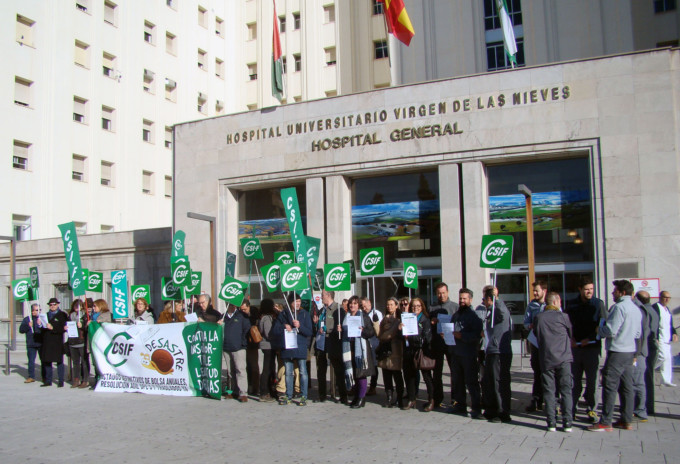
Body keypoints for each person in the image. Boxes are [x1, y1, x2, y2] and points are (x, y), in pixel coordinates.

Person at [588, 280, 642, 432]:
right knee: (627, 387)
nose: (612, 293)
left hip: (617, 351)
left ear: (622, 293)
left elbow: (611, 330)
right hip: (629, 351)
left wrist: (600, 329)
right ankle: (626, 420)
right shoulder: (636, 309)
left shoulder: (619, 308)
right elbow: (638, 333)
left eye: (615, 291)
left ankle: (606, 421)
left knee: (610, 386)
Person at [565, 276, 606, 423]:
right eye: (587, 289)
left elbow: (602, 325)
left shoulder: (598, 304)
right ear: (580, 290)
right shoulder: (572, 304)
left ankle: (592, 409)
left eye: (591, 289)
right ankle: (572, 408)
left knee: (592, 381)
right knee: (574, 380)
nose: (589, 292)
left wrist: (590, 338)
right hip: (575, 348)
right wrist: (571, 339)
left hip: (592, 348)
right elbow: (566, 323)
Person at [534, 292, 574, 432]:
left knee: (549, 391)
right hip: (564, 358)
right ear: (556, 302)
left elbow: (537, 335)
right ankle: (567, 422)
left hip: (547, 358)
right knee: (566, 391)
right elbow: (571, 334)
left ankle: (551, 422)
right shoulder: (564, 317)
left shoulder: (539, 317)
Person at [481, 287, 513, 423]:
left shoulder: (499, 310)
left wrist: (497, 299)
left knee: (499, 382)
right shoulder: (489, 312)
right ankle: (491, 409)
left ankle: (502, 412)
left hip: (500, 352)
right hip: (491, 350)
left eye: (484, 299)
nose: (483, 302)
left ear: (489, 299)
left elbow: (503, 314)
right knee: (489, 382)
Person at [450, 288, 484, 418]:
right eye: (460, 298)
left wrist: (462, 336)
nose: (462, 301)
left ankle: (476, 407)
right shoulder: (456, 315)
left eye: (464, 298)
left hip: (468, 354)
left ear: (470, 299)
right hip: (456, 353)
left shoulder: (474, 316)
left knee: (471, 382)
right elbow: (452, 329)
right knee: (457, 381)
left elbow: (477, 335)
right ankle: (460, 405)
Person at [275, 293, 312, 406]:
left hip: (300, 346)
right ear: (290, 303)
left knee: (302, 372)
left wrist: (300, 326)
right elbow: (275, 331)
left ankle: (304, 396)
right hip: (288, 347)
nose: (298, 303)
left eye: (299, 301)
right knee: (288, 372)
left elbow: (309, 332)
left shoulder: (305, 314)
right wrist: (284, 326)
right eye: (295, 301)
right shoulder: (284, 314)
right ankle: (289, 395)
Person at [340, 295, 376, 409]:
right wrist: (340, 330)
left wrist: (363, 331)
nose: (352, 305)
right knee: (355, 374)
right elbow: (345, 333)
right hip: (349, 348)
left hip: (360, 350)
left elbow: (371, 332)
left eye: (355, 303)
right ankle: (356, 396)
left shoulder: (363, 316)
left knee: (361, 374)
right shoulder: (347, 317)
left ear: (358, 305)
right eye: (351, 303)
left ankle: (361, 397)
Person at [429, 282, 459, 409]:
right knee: (437, 373)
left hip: (451, 343)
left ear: (447, 292)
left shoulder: (455, 307)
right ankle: (438, 398)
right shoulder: (432, 308)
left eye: (443, 293)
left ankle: (455, 398)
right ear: (436, 294)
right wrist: (433, 322)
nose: (441, 295)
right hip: (437, 343)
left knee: (455, 372)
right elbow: (428, 326)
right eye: (439, 293)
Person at [401, 297, 434, 411]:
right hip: (409, 350)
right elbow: (403, 337)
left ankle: (431, 399)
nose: (415, 308)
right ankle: (411, 398)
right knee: (410, 376)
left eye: (418, 306)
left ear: (422, 307)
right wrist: (402, 331)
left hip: (421, 351)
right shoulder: (407, 318)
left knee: (426, 376)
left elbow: (427, 338)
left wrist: (412, 335)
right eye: (413, 306)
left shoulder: (425, 320)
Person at [524, 280, 547, 412]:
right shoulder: (531, 305)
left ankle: (550, 400)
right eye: (534, 291)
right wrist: (529, 326)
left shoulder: (550, 304)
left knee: (548, 373)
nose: (535, 293)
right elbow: (526, 322)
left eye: (537, 290)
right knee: (537, 372)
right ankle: (536, 399)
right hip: (536, 343)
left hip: (548, 345)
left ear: (544, 291)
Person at [377, 297, 404, 408]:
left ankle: (400, 397)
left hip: (395, 350)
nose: (389, 307)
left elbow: (391, 334)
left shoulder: (400, 319)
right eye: (388, 304)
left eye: (392, 304)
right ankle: (389, 396)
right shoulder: (384, 319)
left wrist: (394, 330)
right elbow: (379, 335)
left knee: (397, 376)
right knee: (386, 375)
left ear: (396, 306)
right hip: (385, 350)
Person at [222, 301, 251, 402]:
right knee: (230, 371)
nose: (230, 306)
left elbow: (247, 329)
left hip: (238, 347)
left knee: (240, 370)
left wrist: (242, 342)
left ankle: (243, 393)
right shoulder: (223, 316)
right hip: (226, 347)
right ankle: (233, 391)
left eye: (232, 304)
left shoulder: (241, 316)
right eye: (228, 304)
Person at [312, 290, 338, 402]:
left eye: (322, 295)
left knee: (334, 369)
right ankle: (321, 394)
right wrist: (316, 323)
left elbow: (339, 325)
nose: (321, 297)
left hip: (331, 342)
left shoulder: (337, 309)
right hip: (320, 343)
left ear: (328, 295)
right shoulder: (322, 310)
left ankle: (334, 392)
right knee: (320, 370)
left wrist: (328, 329)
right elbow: (319, 326)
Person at [630, 291, 652, 422]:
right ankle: (637, 410)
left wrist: (636, 354)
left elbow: (641, 334)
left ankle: (640, 411)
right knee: (637, 382)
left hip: (638, 353)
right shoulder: (640, 308)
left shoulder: (638, 309)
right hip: (638, 351)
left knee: (637, 382)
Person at [40, 297, 68, 387]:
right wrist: (39, 324)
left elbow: (64, 328)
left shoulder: (62, 315)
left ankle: (60, 380)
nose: (52, 306)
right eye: (51, 305)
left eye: (54, 304)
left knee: (59, 361)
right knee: (47, 361)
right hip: (47, 341)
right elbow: (41, 329)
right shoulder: (46, 315)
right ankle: (48, 380)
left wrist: (53, 328)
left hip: (57, 341)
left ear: (58, 305)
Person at [653, 291, 678, 387]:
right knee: (662, 357)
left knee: (668, 359)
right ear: (660, 297)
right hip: (660, 338)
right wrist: (655, 337)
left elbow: (670, 324)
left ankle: (666, 380)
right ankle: (649, 369)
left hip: (667, 339)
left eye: (669, 298)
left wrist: (674, 333)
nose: (667, 299)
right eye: (665, 297)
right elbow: (654, 323)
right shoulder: (656, 308)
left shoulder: (667, 309)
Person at [361, 296, 383, 396]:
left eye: (365, 306)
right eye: (362, 306)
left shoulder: (376, 313)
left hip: (374, 341)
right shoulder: (361, 314)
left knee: (374, 365)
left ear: (369, 303)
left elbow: (379, 330)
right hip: (365, 341)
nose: (364, 308)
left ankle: (373, 386)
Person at [643, 290, 660, 415]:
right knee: (649, 377)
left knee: (646, 378)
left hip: (648, 347)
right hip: (652, 346)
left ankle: (648, 406)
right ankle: (649, 405)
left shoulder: (646, 311)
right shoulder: (653, 310)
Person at [67, 299, 90, 388]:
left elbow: (88, 329)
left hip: (81, 342)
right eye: (75, 306)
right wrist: (65, 327)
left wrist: (83, 326)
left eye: (79, 306)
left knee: (84, 362)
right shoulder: (70, 316)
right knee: (75, 362)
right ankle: (76, 379)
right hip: (72, 341)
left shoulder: (85, 316)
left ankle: (85, 380)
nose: (77, 308)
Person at [257, 299, 277, 402]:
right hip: (268, 345)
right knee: (267, 369)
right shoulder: (267, 318)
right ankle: (264, 392)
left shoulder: (262, 317)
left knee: (270, 368)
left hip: (267, 345)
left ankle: (269, 389)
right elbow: (269, 333)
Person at [240, 300, 261, 396]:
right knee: (244, 366)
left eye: (245, 309)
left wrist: (249, 316)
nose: (243, 311)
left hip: (252, 343)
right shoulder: (239, 314)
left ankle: (255, 387)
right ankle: (247, 386)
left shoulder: (254, 313)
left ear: (249, 307)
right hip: (242, 343)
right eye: (242, 309)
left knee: (253, 366)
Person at [19, 303, 43, 383]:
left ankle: (44, 376)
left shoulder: (41, 318)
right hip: (31, 343)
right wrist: (28, 326)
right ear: (32, 311)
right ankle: (31, 376)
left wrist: (41, 325)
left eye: (39, 310)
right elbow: (21, 330)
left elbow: (47, 329)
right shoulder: (27, 319)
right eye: (36, 310)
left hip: (40, 342)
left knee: (43, 360)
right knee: (31, 361)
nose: (38, 311)